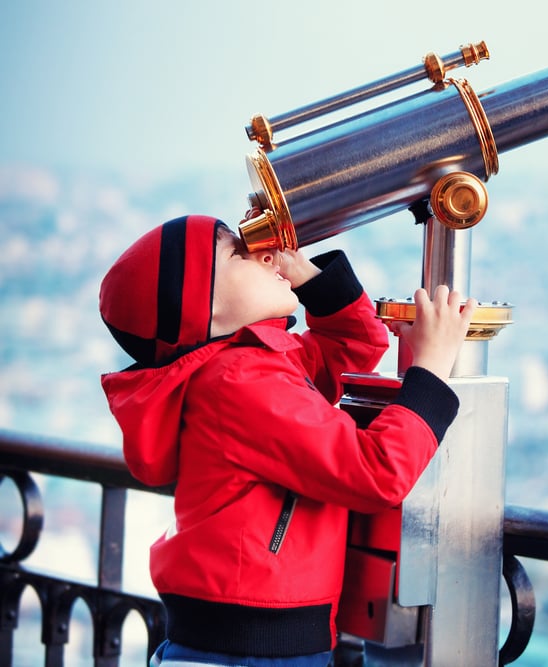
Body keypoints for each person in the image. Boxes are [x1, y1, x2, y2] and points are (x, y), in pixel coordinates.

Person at [99, 213, 476, 666]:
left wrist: (307, 276)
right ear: (203, 307)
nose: (262, 252)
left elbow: (352, 347)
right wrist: (431, 368)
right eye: (238, 253)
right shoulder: (240, 380)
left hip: (244, 640)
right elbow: (377, 470)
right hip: (248, 649)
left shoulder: (252, 362)